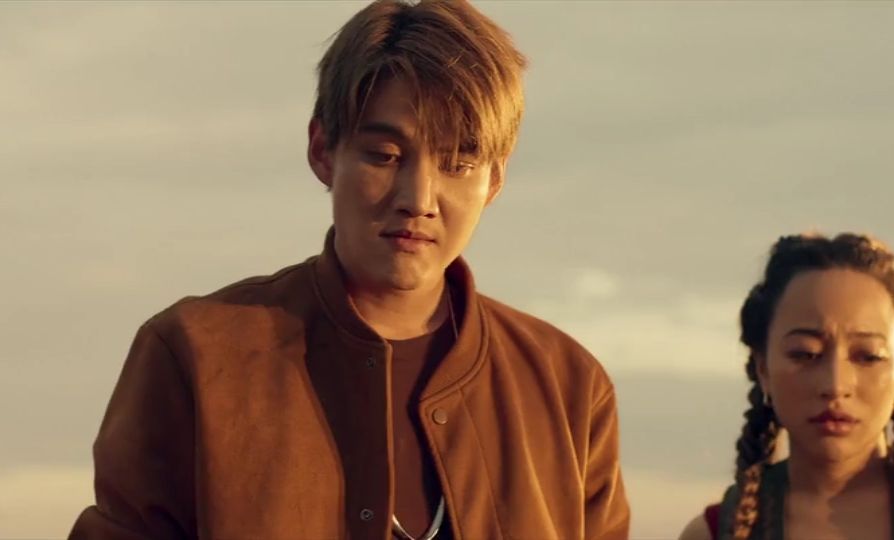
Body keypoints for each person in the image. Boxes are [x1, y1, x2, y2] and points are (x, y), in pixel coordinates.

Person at [69, 1, 630, 539]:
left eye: (458, 163)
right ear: (322, 151)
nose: (419, 199)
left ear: (496, 180)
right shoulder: (193, 353)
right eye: (385, 156)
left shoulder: (569, 386)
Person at [680, 233, 894, 540]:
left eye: (868, 356)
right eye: (805, 354)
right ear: (763, 368)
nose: (835, 384)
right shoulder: (714, 532)